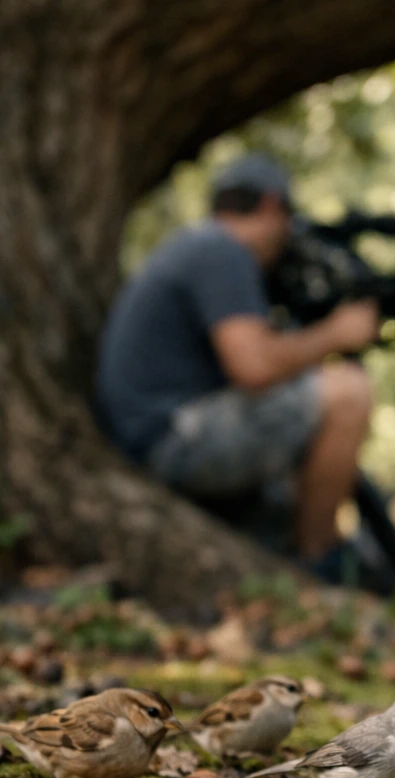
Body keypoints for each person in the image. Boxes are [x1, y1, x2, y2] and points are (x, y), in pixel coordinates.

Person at [96, 155, 379, 576]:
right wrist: (335, 335)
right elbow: (254, 367)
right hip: (172, 439)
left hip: (156, 437)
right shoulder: (222, 251)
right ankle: (321, 562)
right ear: (269, 206)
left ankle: (299, 557)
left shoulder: (195, 246)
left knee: (284, 501)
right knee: (349, 391)